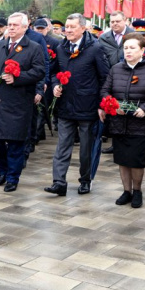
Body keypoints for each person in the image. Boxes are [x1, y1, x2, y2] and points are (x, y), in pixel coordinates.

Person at [101, 32, 145, 207]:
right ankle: (126, 191)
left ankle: (137, 191)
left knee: (136, 159)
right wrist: (114, 105)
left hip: (140, 122)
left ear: (142, 49)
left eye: (132, 48)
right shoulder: (116, 68)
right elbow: (105, 91)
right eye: (125, 48)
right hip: (119, 122)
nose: (128, 51)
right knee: (122, 159)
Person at [46, 13, 108, 196]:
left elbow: (105, 77)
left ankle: (85, 180)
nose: (68, 30)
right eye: (67, 26)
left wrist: (101, 104)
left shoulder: (95, 48)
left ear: (83, 28)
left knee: (86, 148)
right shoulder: (61, 47)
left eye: (73, 27)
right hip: (65, 105)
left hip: (87, 106)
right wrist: (56, 84)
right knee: (62, 146)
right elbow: (54, 71)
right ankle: (59, 182)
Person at [0, 12, 45, 191]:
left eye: (15, 25)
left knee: (16, 143)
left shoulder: (33, 47)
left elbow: (40, 71)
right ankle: (2, 171)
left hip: (18, 103)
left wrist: (18, 78)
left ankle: (12, 177)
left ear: (25, 27)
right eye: (9, 24)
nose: (10, 28)